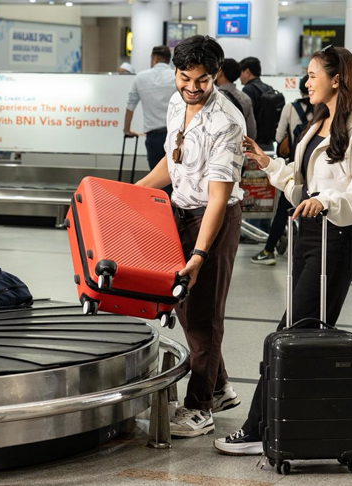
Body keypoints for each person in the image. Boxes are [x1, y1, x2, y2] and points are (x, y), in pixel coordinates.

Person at [214, 46, 352, 455]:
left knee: (287, 335)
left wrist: (326, 202)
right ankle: (285, 427)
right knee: (297, 337)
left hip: (335, 242)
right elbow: (301, 186)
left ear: (337, 79)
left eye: (312, 75)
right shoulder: (318, 121)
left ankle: (258, 429)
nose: (306, 82)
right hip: (306, 238)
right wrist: (267, 164)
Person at [136, 35, 245, 438]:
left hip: (212, 220)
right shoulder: (175, 102)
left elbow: (218, 197)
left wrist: (200, 254)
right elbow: (173, 161)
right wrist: (133, 191)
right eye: (185, 77)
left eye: (202, 80)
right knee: (182, 304)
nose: (193, 87)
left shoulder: (226, 122)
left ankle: (200, 407)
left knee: (203, 314)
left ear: (216, 75)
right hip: (177, 212)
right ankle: (219, 387)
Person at [251, 75, 313, 265]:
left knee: (283, 211)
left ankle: (268, 250)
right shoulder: (323, 110)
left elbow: (279, 137)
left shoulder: (291, 108)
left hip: (296, 166)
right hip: (316, 168)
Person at [124, 46, 176, 174]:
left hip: (154, 137)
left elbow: (130, 105)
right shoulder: (176, 76)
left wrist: (127, 130)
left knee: (156, 177)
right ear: (168, 59)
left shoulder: (140, 78)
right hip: (175, 135)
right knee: (175, 175)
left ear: (155, 59)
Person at [239, 57, 277, 151]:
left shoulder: (248, 89)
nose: (239, 76)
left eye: (241, 72)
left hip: (254, 142)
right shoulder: (269, 88)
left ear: (247, 71)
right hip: (269, 141)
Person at [216, 58, 257, 139]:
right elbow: (251, 133)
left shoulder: (215, 97)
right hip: (240, 144)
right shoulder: (245, 98)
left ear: (220, 72)